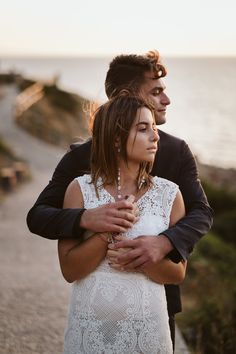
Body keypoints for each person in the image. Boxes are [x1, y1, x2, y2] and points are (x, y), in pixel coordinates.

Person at [27, 50, 213, 347]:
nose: (166, 100)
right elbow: (37, 216)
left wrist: (163, 243)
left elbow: (201, 213)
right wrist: (87, 219)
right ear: (127, 96)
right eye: (156, 92)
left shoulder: (176, 151)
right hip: (92, 309)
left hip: (156, 302)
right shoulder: (80, 158)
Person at [58, 93, 186, 353]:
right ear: (116, 139)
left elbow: (178, 274)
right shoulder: (79, 190)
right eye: (143, 129)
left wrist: (144, 258)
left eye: (153, 127)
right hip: (89, 331)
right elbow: (69, 270)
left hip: (148, 333)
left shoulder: (169, 194)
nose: (155, 135)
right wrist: (107, 231)